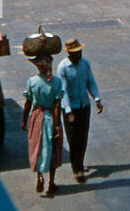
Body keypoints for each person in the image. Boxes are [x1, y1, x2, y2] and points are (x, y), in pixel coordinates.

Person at [59, 38, 103, 183]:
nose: (79, 54)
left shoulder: (85, 64)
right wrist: (68, 111)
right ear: (69, 54)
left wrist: (96, 99)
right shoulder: (63, 68)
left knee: (83, 137)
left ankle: (80, 163)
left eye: (80, 51)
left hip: (84, 106)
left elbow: (91, 82)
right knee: (73, 139)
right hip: (70, 108)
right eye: (76, 52)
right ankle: (76, 169)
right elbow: (63, 90)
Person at [22, 54, 64, 195]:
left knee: (37, 147)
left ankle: (39, 176)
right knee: (54, 148)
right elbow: (57, 105)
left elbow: (28, 103)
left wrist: (23, 120)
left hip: (37, 116)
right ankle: (51, 182)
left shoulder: (32, 81)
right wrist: (57, 124)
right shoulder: (56, 82)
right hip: (51, 116)